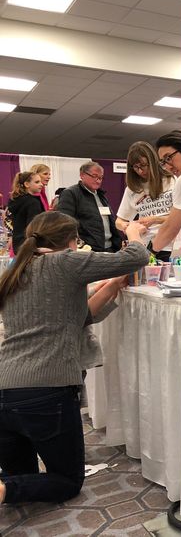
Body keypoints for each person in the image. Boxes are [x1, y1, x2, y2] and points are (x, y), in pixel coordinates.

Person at [0, 211, 148, 504]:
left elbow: (76, 318)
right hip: (47, 391)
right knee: (67, 481)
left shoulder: (15, 270)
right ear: (70, 241)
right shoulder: (66, 262)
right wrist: (133, 232)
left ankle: (5, 490)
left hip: (5, 390)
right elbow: (137, 256)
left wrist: (112, 285)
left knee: (19, 477)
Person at [116, 141, 176, 262]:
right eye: (135, 167)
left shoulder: (171, 180)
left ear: (153, 162)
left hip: (171, 246)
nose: (140, 171)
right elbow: (119, 221)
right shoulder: (132, 189)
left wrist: (155, 219)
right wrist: (127, 226)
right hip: (146, 247)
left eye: (143, 165)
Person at [58, 162, 122, 252]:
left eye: (101, 177)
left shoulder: (101, 195)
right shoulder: (70, 193)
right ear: (82, 175)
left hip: (109, 248)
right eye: (94, 176)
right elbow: (64, 223)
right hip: (88, 250)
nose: (98, 180)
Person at [150, 130, 181, 257]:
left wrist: (149, 254)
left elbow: (171, 227)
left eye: (169, 158)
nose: (168, 167)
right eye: (163, 162)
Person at [8, 171, 45, 252]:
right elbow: (34, 228)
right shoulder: (32, 203)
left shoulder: (15, 200)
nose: (41, 184)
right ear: (27, 184)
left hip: (18, 244)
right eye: (37, 182)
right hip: (30, 245)